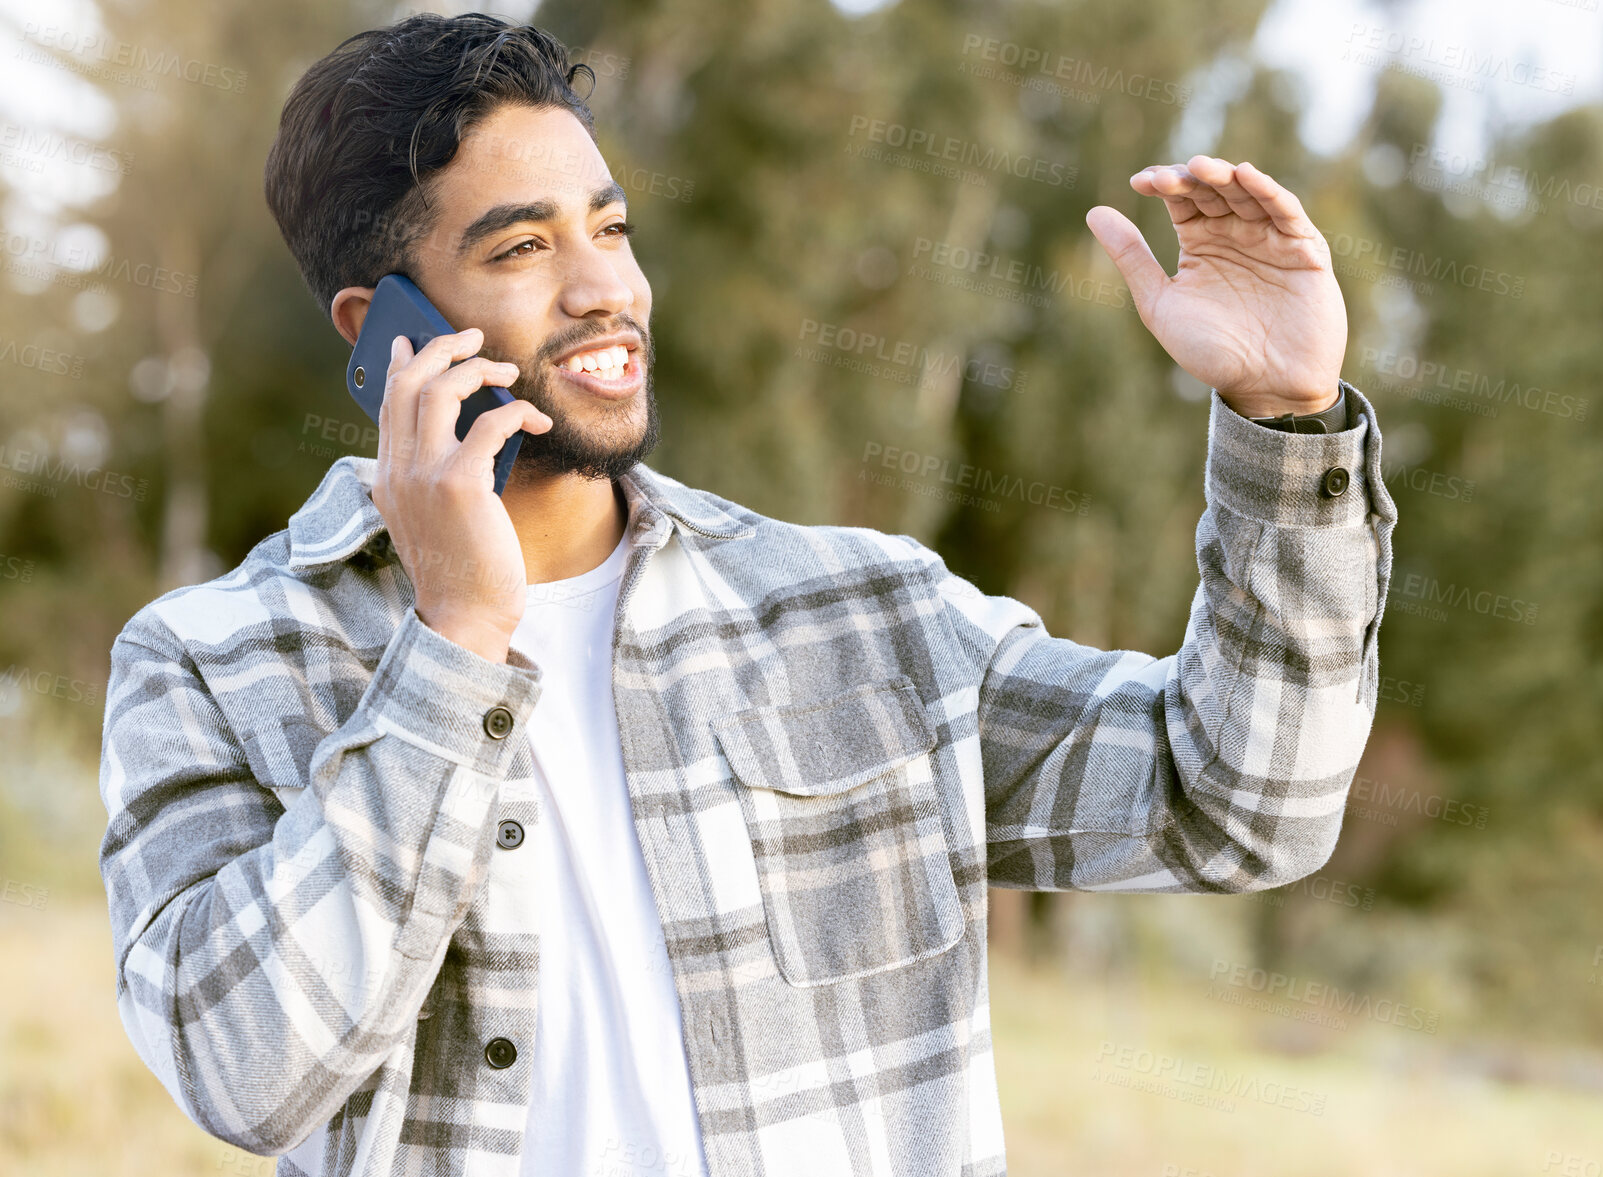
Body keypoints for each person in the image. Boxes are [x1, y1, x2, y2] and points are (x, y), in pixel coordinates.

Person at [96, 12, 1396, 1177]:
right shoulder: (210, 660)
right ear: (380, 332)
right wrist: (454, 643)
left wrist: (1280, 418)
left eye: (608, 225)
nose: (606, 282)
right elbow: (243, 1070)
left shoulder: (864, 614)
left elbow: (1241, 805)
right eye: (523, 246)